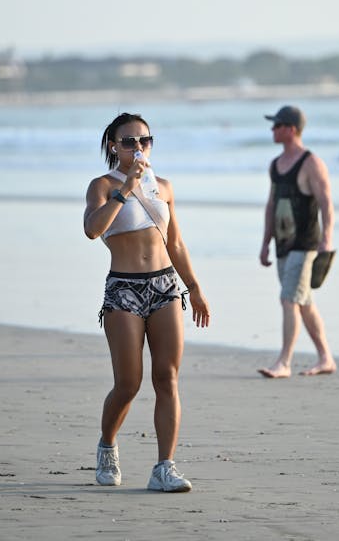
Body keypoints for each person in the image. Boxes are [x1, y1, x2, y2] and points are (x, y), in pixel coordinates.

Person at [84, 112, 210, 492]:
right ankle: (107, 446)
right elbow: (93, 230)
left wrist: (195, 287)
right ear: (113, 146)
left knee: (167, 378)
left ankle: (164, 468)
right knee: (128, 383)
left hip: (165, 287)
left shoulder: (165, 187)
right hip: (123, 289)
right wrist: (128, 187)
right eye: (129, 142)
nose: (138, 148)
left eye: (144, 141)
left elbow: (176, 243)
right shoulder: (103, 185)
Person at [258, 106, 336, 378]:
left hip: (306, 243)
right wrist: (265, 242)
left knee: (288, 299)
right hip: (282, 243)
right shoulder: (275, 165)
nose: (272, 130)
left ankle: (284, 362)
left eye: (277, 125)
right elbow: (271, 205)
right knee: (303, 302)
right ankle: (326, 358)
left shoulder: (311, 162)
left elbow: (326, 203)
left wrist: (327, 239)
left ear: (291, 129)